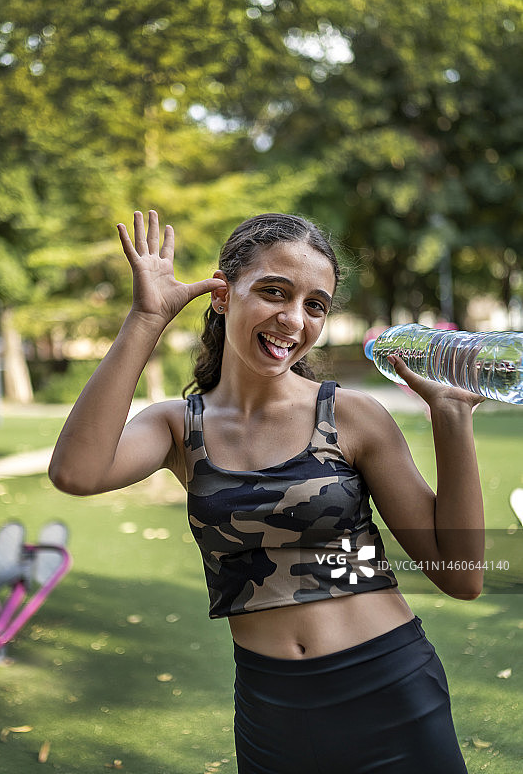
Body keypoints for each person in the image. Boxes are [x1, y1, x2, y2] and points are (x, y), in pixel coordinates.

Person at [49, 210, 485, 774]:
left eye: (315, 304)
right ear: (223, 295)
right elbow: (76, 473)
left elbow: (462, 575)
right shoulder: (178, 427)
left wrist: (451, 420)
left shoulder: (351, 416)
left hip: (388, 686)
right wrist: (146, 317)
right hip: (271, 706)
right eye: (274, 292)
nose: (293, 319)